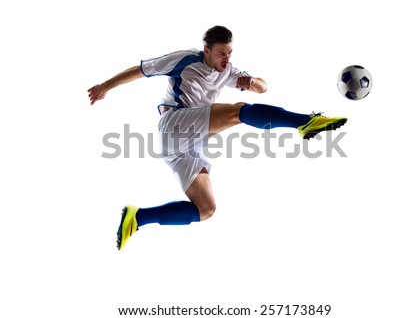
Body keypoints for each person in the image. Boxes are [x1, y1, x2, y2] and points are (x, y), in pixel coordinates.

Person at [88, 26, 347, 250]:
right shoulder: (185, 59)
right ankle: (305, 123)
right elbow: (142, 70)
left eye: (230, 52)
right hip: (174, 124)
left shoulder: (227, 70)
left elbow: (263, 87)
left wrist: (252, 82)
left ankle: (137, 218)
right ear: (206, 50)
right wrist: (105, 87)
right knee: (237, 112)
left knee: (205, 209)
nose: (226, 58)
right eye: (221, 52)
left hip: (185, 146)